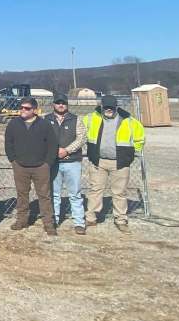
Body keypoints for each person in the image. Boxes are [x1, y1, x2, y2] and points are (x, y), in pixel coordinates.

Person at [83, 95, 146, 232]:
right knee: (95, 190)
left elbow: (140, 138)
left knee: (119, 193)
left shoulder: (129, 121)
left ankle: (121, 219)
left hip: (120, 163)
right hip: (98, 162)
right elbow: (80, 132)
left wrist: (131, 154)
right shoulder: (90, 118)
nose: (109, 110)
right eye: (106, 107)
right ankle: (91, 218)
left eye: (111, 107)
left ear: (116, 107)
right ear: (101, 106)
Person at [4, 97, 59, 235]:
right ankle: (22, 221)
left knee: (44, 196)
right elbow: (8, 143)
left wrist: (47, 163)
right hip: (20, 166)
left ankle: (48, 224)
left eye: (27, 108)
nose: (23, 110)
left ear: (34, 110)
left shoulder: (45, 124)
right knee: (22, 195)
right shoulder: (13, 124)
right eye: (21, 107)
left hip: (41, 167)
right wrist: (13, 161)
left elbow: (52, 145)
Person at [44, 94, 88, 235]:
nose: (61, 105)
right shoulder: (46, 119)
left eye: (63, 103)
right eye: (58, 103)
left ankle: (79, 222)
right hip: (53, 162)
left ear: (67, 104)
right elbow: (43, 138)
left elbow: (81, 138)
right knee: (54, 194)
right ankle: (54, 220)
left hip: (72, 161)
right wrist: (53, 151)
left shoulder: (76, 119)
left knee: (75, 193)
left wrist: (67, 150)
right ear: (53, 104)